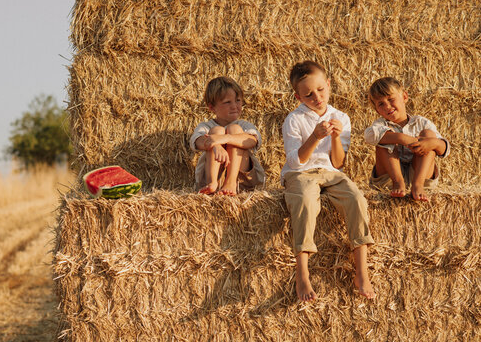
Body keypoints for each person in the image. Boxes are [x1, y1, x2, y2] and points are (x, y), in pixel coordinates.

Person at [281, 61, 375, 301]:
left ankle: (361, 270)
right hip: (301, 174)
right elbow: (295, 162)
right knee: (304, 202)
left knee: (356, 199)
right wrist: (314, 136)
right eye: (308, 94)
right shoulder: (293, 119)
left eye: (321, 90)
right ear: (298, 96)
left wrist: (335, 137)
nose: (317, 97)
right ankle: (302, 272)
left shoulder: (341, 117)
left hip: (330, 172)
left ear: (329, 85)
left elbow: (338, 163)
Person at [364, 77, 450, 201]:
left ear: (404, 97)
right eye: (381, 104)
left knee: (428, 134)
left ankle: (418, 185)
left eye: (391, 99)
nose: (387, 106)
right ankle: (398, 182)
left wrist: (433, 143)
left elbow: (445, 150)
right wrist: (401, 138)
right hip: (389, 178)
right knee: (382, 136)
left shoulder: (421, 122)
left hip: (419, 173)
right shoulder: (381, 125)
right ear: (377, 109)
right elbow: (368, 136)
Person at [189, 76, 265, 195]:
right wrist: (215, 145)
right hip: (214, 177)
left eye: (238, 100)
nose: (234, 106)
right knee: (216, 131)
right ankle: (212, 183)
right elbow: (197, 141)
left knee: (235, 130)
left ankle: (230, 182)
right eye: (227, 102)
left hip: (242, 180)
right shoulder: (206, 126)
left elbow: (252, 141)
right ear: (212, 107)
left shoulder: (244, 125)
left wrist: (225, 138)